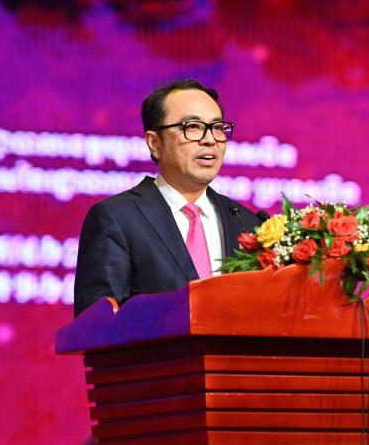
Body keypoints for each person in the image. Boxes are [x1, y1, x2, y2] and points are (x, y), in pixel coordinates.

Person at [73, 79, 261, 316]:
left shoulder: (248, 223)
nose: (210, 139)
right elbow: (96, 323)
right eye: (193, 127)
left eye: (217, 127)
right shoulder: (117, 219)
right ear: (154, 143)